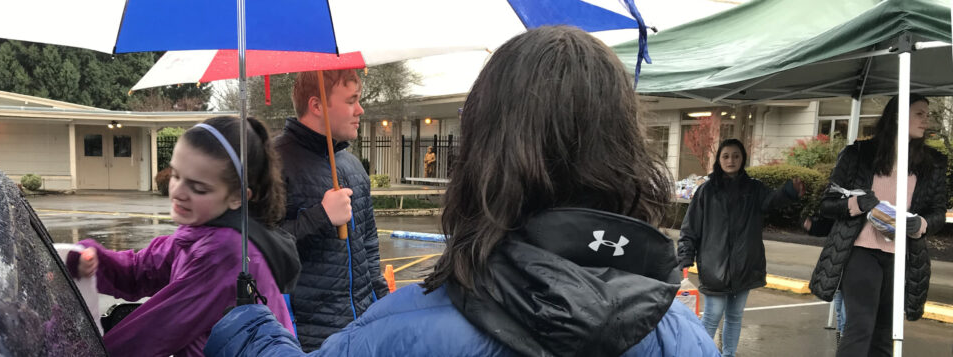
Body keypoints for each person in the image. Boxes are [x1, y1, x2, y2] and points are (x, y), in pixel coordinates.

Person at [204, 26, 719, 357]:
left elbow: (365, 257)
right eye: (353, 99)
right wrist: (316, 221)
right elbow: (262, 241)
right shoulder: (685, 337)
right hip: (312, 323)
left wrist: (245, 328)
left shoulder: (399, 332)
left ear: (483, 152)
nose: (361, 109)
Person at [70, 116, 301, 356]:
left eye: (198, 188)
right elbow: (140, 270)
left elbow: (153, 332)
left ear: (237, 197)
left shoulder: (226, 253)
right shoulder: (200, 229)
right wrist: (93, 259)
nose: (178, 192)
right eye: (175, 175)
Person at [810, 94, 946, 357]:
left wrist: (921, 223)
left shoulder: (934, 163)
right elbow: (827, 203)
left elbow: (938, 211)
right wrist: (857, 204)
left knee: (885, 333)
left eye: (927, 114)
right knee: (860, 328)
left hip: (901, 255)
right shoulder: (858, 154)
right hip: (861, 250)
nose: (925, 119)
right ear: (897, 116)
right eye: (919, 113)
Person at [275, 69, 389, 351]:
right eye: (352, 100)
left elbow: (369, 246)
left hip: (361, 332)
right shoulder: (272, 162)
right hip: (304, 339)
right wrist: (321, 216)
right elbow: (254, 247)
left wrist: (385, 306)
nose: (360, 110)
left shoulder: (353, 167)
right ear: (316, 106)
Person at [677, 138, 804, 357]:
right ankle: (703, 353)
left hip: (745, 265)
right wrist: (685, 256)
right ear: (718, 159)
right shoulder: (706, 191)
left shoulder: (754, 189)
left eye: (736, 155)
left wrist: (789, 192)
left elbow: (772, 201)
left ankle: (729, 354)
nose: (731, 160)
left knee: (735, 316)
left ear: (743, 158)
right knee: (712, 314)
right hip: (714, 266)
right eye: (726, 156)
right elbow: (690, 228)